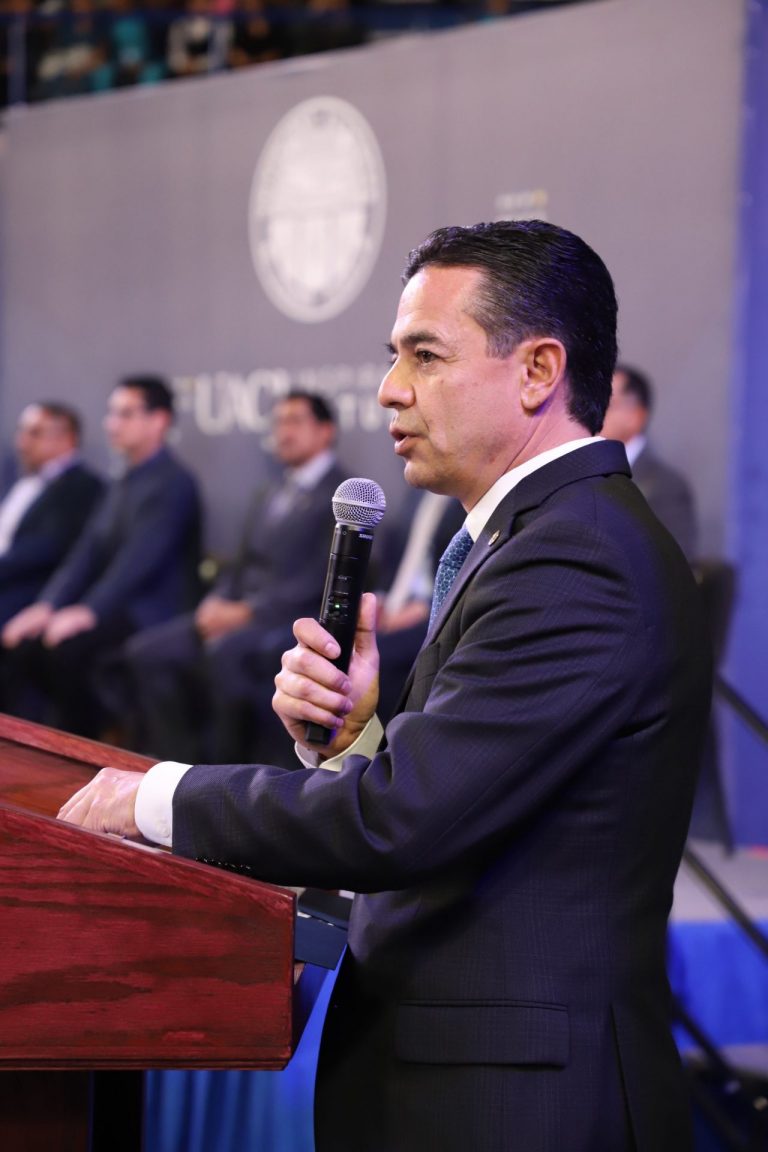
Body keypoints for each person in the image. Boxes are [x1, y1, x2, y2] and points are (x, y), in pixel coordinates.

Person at [58, 221, 712, 1152]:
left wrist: (153, 797)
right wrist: (359, 737)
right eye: (393, 355)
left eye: (425, 356)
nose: (389, 389)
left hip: (517, 1108)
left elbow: (401, 820)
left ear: (538, 371)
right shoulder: (536, 537)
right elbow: (470, 804)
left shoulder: (577, 555)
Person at [115, 389, 346, 764]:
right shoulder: (269, 490)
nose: (283, 432)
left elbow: (319, 579)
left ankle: (224, 772)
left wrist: (247, 612)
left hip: (286, 618)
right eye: (277, 422)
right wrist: (217, 600)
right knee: (147, 652)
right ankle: (176, 764)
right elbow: (239, 562)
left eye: (294, 421)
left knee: (224, 655)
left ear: (325, 430)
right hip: (237, 611)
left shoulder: (341, 496)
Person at [2, 375, 202, 738]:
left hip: (150, 611)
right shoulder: (122, 480)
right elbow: (86, 550)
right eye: (112, 413)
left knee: (67, 647)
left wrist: (88, 611)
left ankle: (89, 749)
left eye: (125, 414)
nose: (112, 424)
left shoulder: (173, 482)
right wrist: (48, 605)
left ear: (158, 421)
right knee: (30, 643)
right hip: (115, 605)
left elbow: (137, 563)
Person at [0, 401, 104, 630]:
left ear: (67, 439)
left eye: (35, 433)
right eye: (22, 432)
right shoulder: (25, 481)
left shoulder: (82, 486)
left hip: (28, 592)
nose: (22, 442)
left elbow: (46, 547)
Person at [601, 363, 698, 559]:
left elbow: (676, 560)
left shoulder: (667, 485)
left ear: (636, 416)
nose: (596, 412)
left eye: (607, 404)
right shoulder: (586, 472)